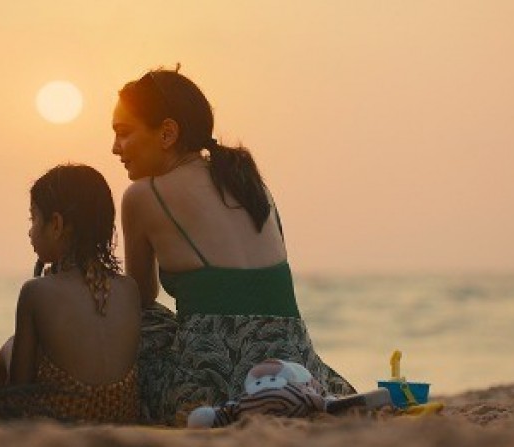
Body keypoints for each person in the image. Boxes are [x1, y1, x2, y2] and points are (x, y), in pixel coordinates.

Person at [112, 67, 356, 425]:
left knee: (140, 323)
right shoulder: (250, 182)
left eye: (123, 133)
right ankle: (289, 395)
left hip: (216, 375)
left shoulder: (143, 195)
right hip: (294, 359)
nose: (115, 148)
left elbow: (141, 298)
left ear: (167, 133)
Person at [0, 164, 141, 424]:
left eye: (33, 219)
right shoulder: (129, 288)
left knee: (8, 347)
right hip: (120, 418)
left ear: (56, 225)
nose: (30, 231)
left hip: (63, 421)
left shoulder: (35, 292)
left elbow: (19, 391)